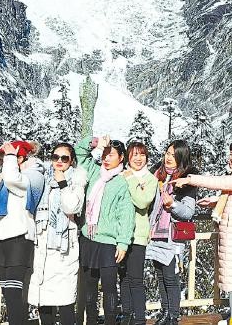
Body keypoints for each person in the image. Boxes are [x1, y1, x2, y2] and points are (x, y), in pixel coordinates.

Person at [172, 140, 232, 325]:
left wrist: (190, 179)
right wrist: (214, 201)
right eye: (231, 153)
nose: (231, 157)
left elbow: (220, 182)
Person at [0, 140, 45, 325]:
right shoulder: (4, 177)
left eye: (9, 157)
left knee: (15, 295)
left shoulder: (33, 175)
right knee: (8, 294)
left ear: (20, 158)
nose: (4, 160)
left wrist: (9, 158)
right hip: (2, 239)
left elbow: (13, 180)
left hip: (20, 239)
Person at [76, 137, 136, 325]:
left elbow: (126, 214)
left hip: (109, 242)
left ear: (121, 158)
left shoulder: (122, 182)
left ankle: (110, 321)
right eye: (104, 154)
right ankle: (91, 321)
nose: (106, 159)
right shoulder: (94, 171)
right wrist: (95, 142)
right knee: (89, 289)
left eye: (111, 155)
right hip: (88, 237)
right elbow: (79, 152)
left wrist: (123, 243)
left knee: (109, 288)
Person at [28, 143, 88, 325]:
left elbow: (72, 206)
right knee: (44, 300)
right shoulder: (43, 178)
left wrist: (63, 184)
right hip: (42, 245)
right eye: (56, 157)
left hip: (64, 248)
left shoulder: (76, 180)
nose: (59, 161)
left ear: (72, 161)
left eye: (64, 158)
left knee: (65, 300)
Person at [146, 140, 197, 325]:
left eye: (174, 155)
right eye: (167, 153)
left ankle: (173, 316)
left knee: (170, 277)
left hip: (172, 237)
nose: (168, 157)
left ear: (181, 158)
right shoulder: (156, 175)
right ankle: (165, 311)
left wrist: (173, 204)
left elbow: (189, 212)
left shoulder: (186, 181)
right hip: (155, 234)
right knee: (160, 275)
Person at [119, 141, 159, 325]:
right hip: (120, 234)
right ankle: (126, 314)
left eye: (142, 154)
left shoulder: (150, 179)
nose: (138, 158)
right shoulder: (121, 175)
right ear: (127, 157)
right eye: (134, 154)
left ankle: (139, 318)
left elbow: (143, 202)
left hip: (138, 234)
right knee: (124, 277)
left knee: (135, 278)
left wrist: (131, 179)